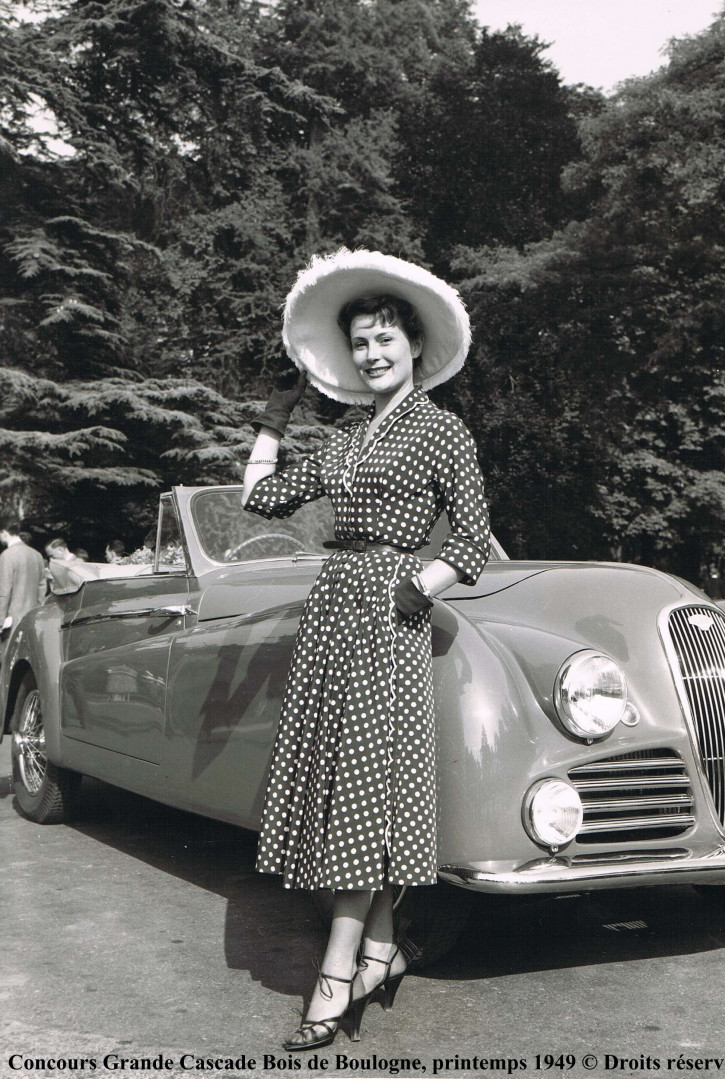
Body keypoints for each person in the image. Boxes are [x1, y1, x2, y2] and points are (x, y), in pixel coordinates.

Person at [241, 249, 491, 1051]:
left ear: (414, 346)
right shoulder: (345, 435)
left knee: (360, 791)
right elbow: (261, 499)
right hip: (331, 614)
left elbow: (475, 537)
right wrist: (272, 421)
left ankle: (337, 968)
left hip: (387, 613)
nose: (373, 353)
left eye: (385, 338)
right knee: (347, 789)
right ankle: (382, 947)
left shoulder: (442, 428)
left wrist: (416, 587)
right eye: (360, 343)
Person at [0, 521, 47, 644]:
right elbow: (42, 586)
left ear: (4, 533)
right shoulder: (36, 555)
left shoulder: (7, 555)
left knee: (8, 658)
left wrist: (0, 620)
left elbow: (4, 590)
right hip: (32, 616)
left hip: (11, 620)